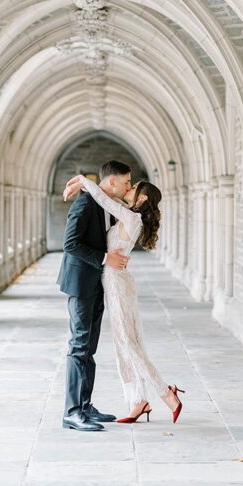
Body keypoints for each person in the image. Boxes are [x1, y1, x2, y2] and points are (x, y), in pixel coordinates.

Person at [62, 168, 184, 425]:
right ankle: (137, 400)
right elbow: (107, 199)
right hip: (110, 283)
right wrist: (87, 187)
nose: (129, 187)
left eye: (133, 186)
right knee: (121, 345)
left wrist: (83, 181)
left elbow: (105, 198)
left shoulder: (131, 217)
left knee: (128, 345)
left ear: (142, 199)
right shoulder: (127, 212)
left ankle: (166, 392)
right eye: (127, 182)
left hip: (117, 285)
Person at [56, 160, 130, 431]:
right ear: (112, 182)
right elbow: (70, 243)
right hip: (80, 284)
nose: (128, 187)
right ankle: (72, 412)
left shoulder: (103, 203)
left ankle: (85, 406)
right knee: (79, 346)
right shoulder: (85, 204)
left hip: (96, 283)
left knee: (89, 347)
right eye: (126, 182)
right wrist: (105, 258)